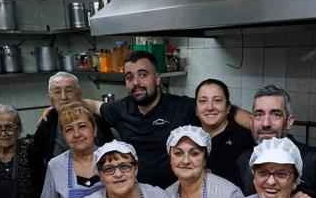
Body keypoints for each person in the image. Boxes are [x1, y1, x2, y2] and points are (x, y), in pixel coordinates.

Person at [81, 50, 252, 188]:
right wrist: (61, 103)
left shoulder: (180, 106)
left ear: (157, 78)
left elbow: (219, 109)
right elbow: (94, 106)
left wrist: (255, 124)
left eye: (143, 74)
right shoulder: (120, 109)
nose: (136, 82)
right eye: (129, 77)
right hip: (136, 194)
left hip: (175, 196)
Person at [236, 84, 316, 198]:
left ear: (289, 122)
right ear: (251, 121)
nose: (265, 123)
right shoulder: (244, 161)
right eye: (259, 114)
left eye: (275, 114)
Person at [40, 102, 104, 198]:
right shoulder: (55, 165)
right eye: (69, 129)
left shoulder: (111, 158)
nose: (76, 134)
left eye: (82, 126)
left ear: (94, 129)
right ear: (63, 135)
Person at [33, 71, 114, 165]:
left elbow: (111, 150)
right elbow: (35, 156)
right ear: (51, 99)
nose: (63, 97)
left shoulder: (96, 119)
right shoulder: (47, 121)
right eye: (57, 92)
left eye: (69, 90)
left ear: (79, 95)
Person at [194, 79, 255, 187]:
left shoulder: (244, 139)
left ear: (228, 107)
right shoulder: (190, 135)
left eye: (217, 100)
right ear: (196, 110)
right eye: (203, 101)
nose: (210, 107)